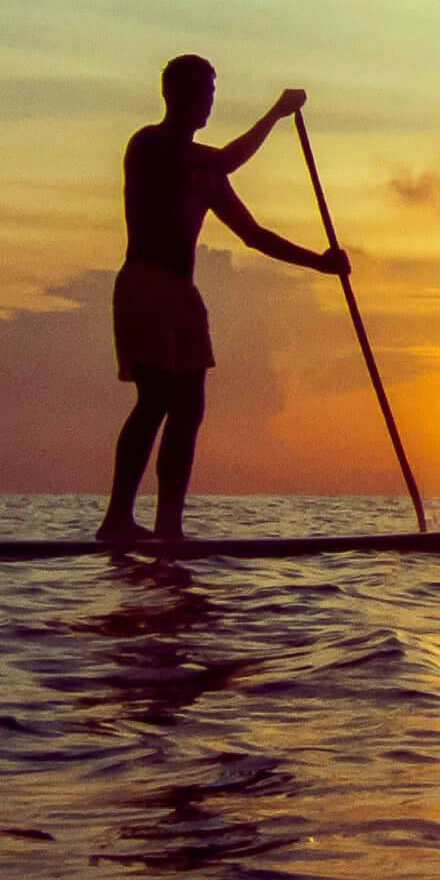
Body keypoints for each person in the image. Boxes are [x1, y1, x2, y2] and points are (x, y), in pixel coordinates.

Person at [96, 54, 348, 545]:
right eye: (200, 91)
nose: (208, 100)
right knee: (155, 400)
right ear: (173, 95)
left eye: (212, 91)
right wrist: (276, 113)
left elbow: (254, 235)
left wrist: (319, 262)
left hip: (184, 296)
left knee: (189, 407)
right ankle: (117, 521)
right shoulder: (150, 145)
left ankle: (170, 527)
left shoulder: (207, 171)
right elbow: (227, 159)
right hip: (145, 287)